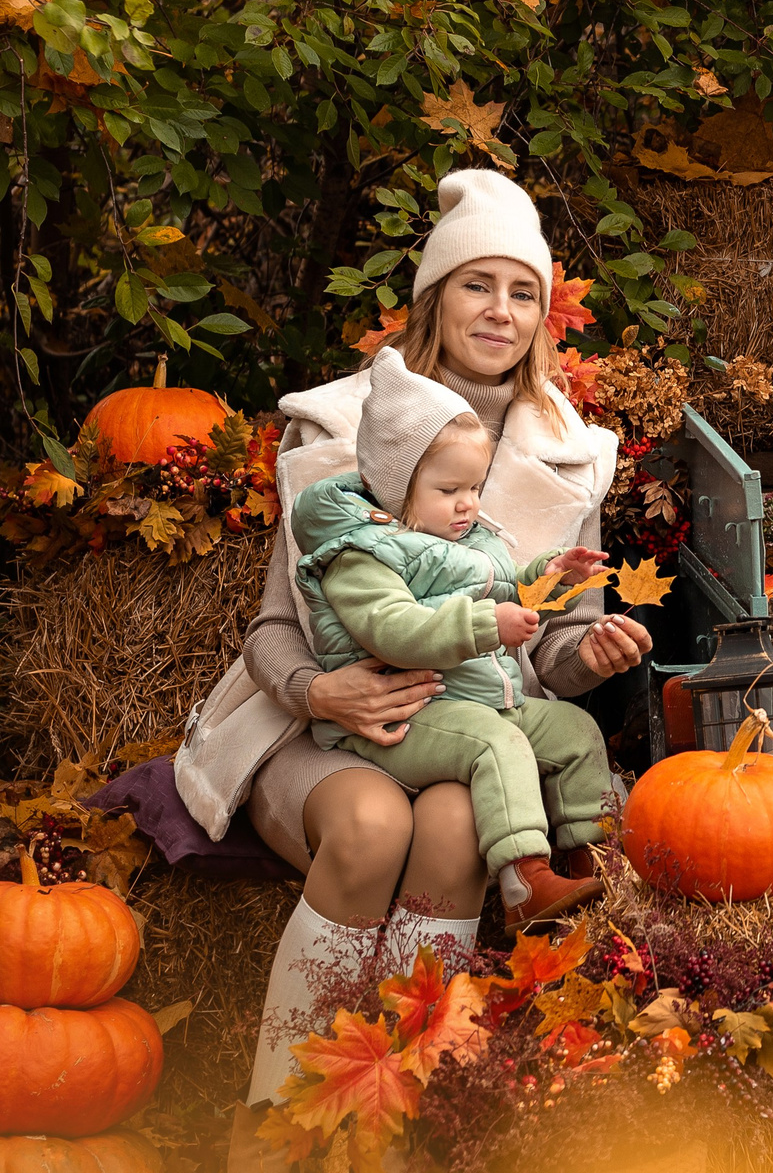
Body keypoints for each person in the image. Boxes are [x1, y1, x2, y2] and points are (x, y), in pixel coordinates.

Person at [171, 168, 651, 1123]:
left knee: (454, 827)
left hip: (466, 717)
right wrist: (322, 692)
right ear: (436, 297)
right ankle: (284, 1124)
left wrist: (582, 656)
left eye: (524, 293)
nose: (501, 311)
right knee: (371, 826)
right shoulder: (346, 427)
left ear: (545, 317)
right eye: (479, 284)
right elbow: (273, 626)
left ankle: (391, 1117)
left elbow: (543, 654)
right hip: (324, 726)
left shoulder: (571, 454)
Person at [290, 346, 615, 929]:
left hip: (476, 698)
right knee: (497, 745)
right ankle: (525, 884)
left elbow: (504, 582)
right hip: (410, 711)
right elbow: (394, 632)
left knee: (575, 731)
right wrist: (487, 625)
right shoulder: (358, 554)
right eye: (448, 491)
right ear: (392, 489)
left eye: (475, 487)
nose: (468, 503)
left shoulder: (460, 536)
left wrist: (549, 573)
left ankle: (592, 856)